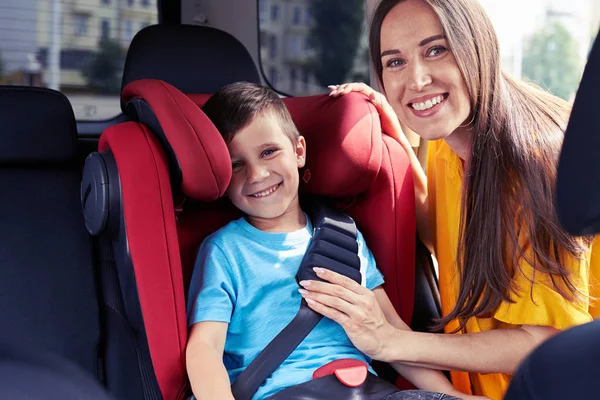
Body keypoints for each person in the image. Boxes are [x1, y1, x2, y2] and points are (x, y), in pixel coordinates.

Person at [298, 0, 600, 399]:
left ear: (476, 46)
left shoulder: (534, 162)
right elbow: (439, 223)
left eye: (435, 50)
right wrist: (391, 126)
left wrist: (390, 341)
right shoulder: (448, 142)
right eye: (395, 62)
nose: (417, 80)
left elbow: (546, 343)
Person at [185, 82, 481, 400]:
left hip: (371, 391)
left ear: (299, 151)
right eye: (236, 165)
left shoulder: (344, 236)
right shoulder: (225, 251)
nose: (257, 175)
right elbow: (205, 347)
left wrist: (451, 395)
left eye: (268, 152)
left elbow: (393, 334)